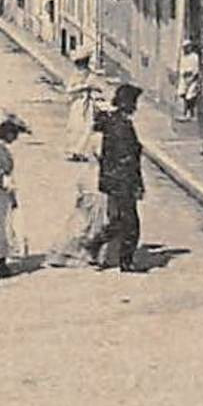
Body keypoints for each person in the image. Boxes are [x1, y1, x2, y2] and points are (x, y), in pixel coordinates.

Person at [87, 83, 145, 272]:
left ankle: (97, 244)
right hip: (123, 181)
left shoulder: (112, 122)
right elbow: (128, 160)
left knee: (119, 220)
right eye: (133, 102)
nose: (135, 106)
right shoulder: (122, 126)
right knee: (130, 223)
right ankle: (125, 260)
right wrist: (136, 184)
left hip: (112, 180)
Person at [46, 162, 107, 268]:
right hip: (95, 185)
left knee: (84, 224)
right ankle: (80, 253)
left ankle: (87, 253)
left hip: (92, 183)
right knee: (87, 224)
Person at [0, 116, 29, 278]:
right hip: (0, 191)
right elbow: (1, 174)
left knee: (0, 226)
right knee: (3, 226)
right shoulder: (1, 150)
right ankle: (1, 262)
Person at [63, 52, 101, 162]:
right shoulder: (75, 75)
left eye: (84, 64)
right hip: (77, 103)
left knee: (87, 127)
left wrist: (94, 90)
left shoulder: (91, 75)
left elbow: (98, 87)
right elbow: (69, 89)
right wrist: (83, 87)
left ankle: (83, 152)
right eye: (80, 64)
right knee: (75, 126)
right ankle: (73, 151)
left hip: (88, 104)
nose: (82, 67)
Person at [177, 41, 201, 122]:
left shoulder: (195, 57)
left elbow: (196, 69)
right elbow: (182, 67)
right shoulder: (183, 57)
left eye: (188, 47)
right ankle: (185, 112)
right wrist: (183, 74)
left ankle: (191, 113)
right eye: (185, 47)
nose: (187, 49)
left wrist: (192, 77)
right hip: (184, 78)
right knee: (183, 94)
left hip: (192, 78)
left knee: (190, 96)